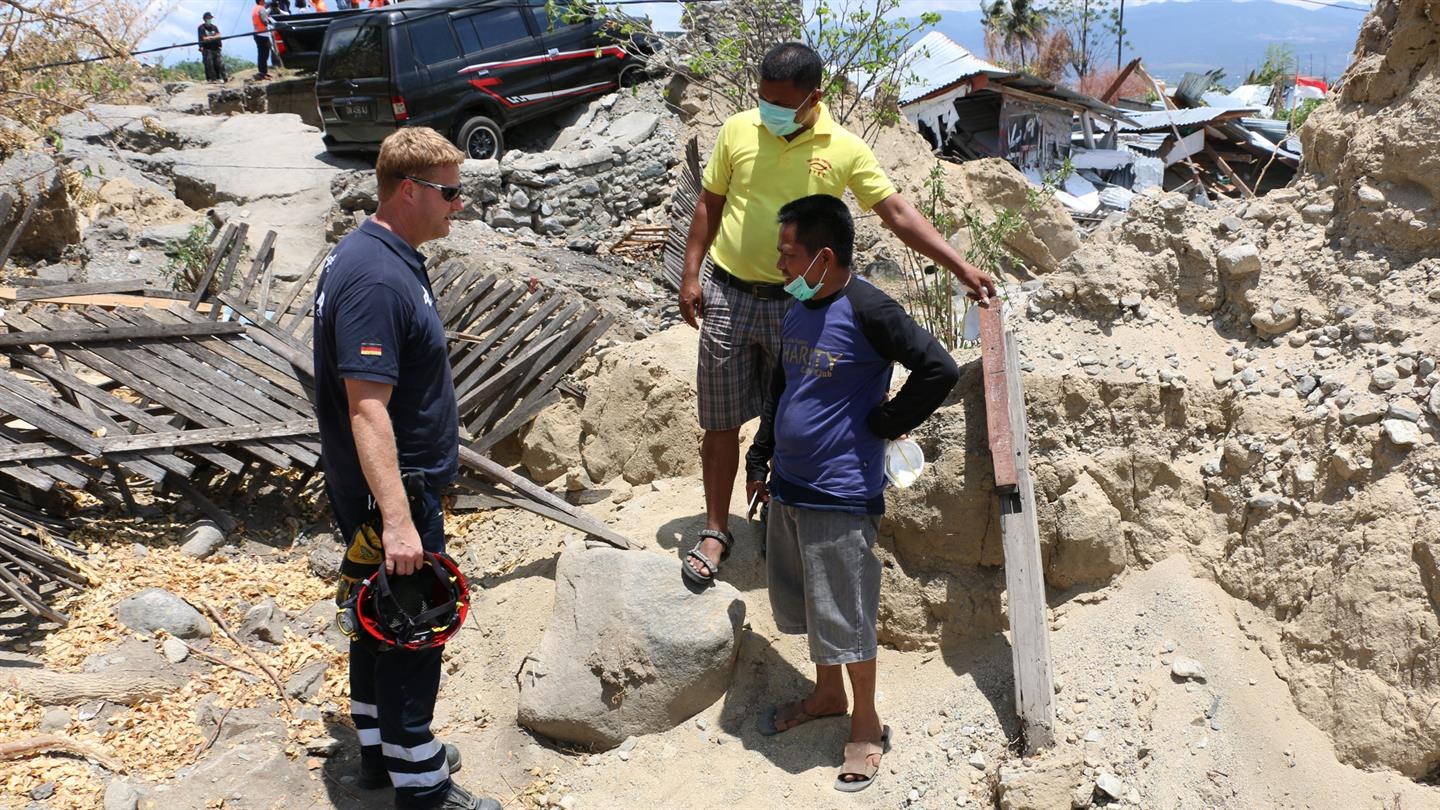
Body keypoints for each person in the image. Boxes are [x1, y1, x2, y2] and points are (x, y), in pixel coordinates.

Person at [678, 41, 996, 585]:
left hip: (801, 302)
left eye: (780, 102)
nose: (768, 110)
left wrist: (960, 266)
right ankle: (715, 528)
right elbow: (710, 202)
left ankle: (788, 513)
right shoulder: (737, 130)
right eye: (762, 98)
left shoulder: (844, 147)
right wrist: (691, 273)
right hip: (729, 294)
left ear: (813, 98)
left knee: (794, 412)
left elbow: (895, 211)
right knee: (720, 420)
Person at [313, 126, 499, 810]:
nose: (459, 204)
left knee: (377, 619)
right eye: (449, 192)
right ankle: (423, 786)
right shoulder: (376, 277)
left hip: (384, 489)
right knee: (417, 629)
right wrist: (396, 519)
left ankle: (380, 752)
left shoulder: (376, 255)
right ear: (409, 189)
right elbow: (368, 410)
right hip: (397, 491)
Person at [747, 194, 959, 793]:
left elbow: (938, 368)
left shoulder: (868, 308)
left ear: (825, 256)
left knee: (849, 609)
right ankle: (826, 694)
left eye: (789, 255)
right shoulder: (797, 302)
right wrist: (761, 455)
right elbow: (783, 386)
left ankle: (866, 725)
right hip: (789, 486)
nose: (781, 266)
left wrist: (887, 422)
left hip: (840, 491)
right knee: (814, 606)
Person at [197, 12, 226, 83]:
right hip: (207, 48)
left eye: (210, 18)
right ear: (204, 19)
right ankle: (211, 79)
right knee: (209, 64)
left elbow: (219, 36)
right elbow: (204, 38)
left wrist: (211, 37)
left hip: (216, 48)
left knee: (219, 63)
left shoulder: (214, 27)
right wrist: (213, 37)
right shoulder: (201, 27)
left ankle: (220, 78)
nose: (209, 19)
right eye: (208, 18)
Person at [251, 0, 272, 80]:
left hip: (257, 34)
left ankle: (263, 72)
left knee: (261, 54)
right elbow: (264, 21)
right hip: (263, 34)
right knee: (264, 54)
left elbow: (263, 14)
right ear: (260, 1)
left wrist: (270, 9)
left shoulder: (255, 9)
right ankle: (263, 73)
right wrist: (270, 22)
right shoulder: (261, 8)